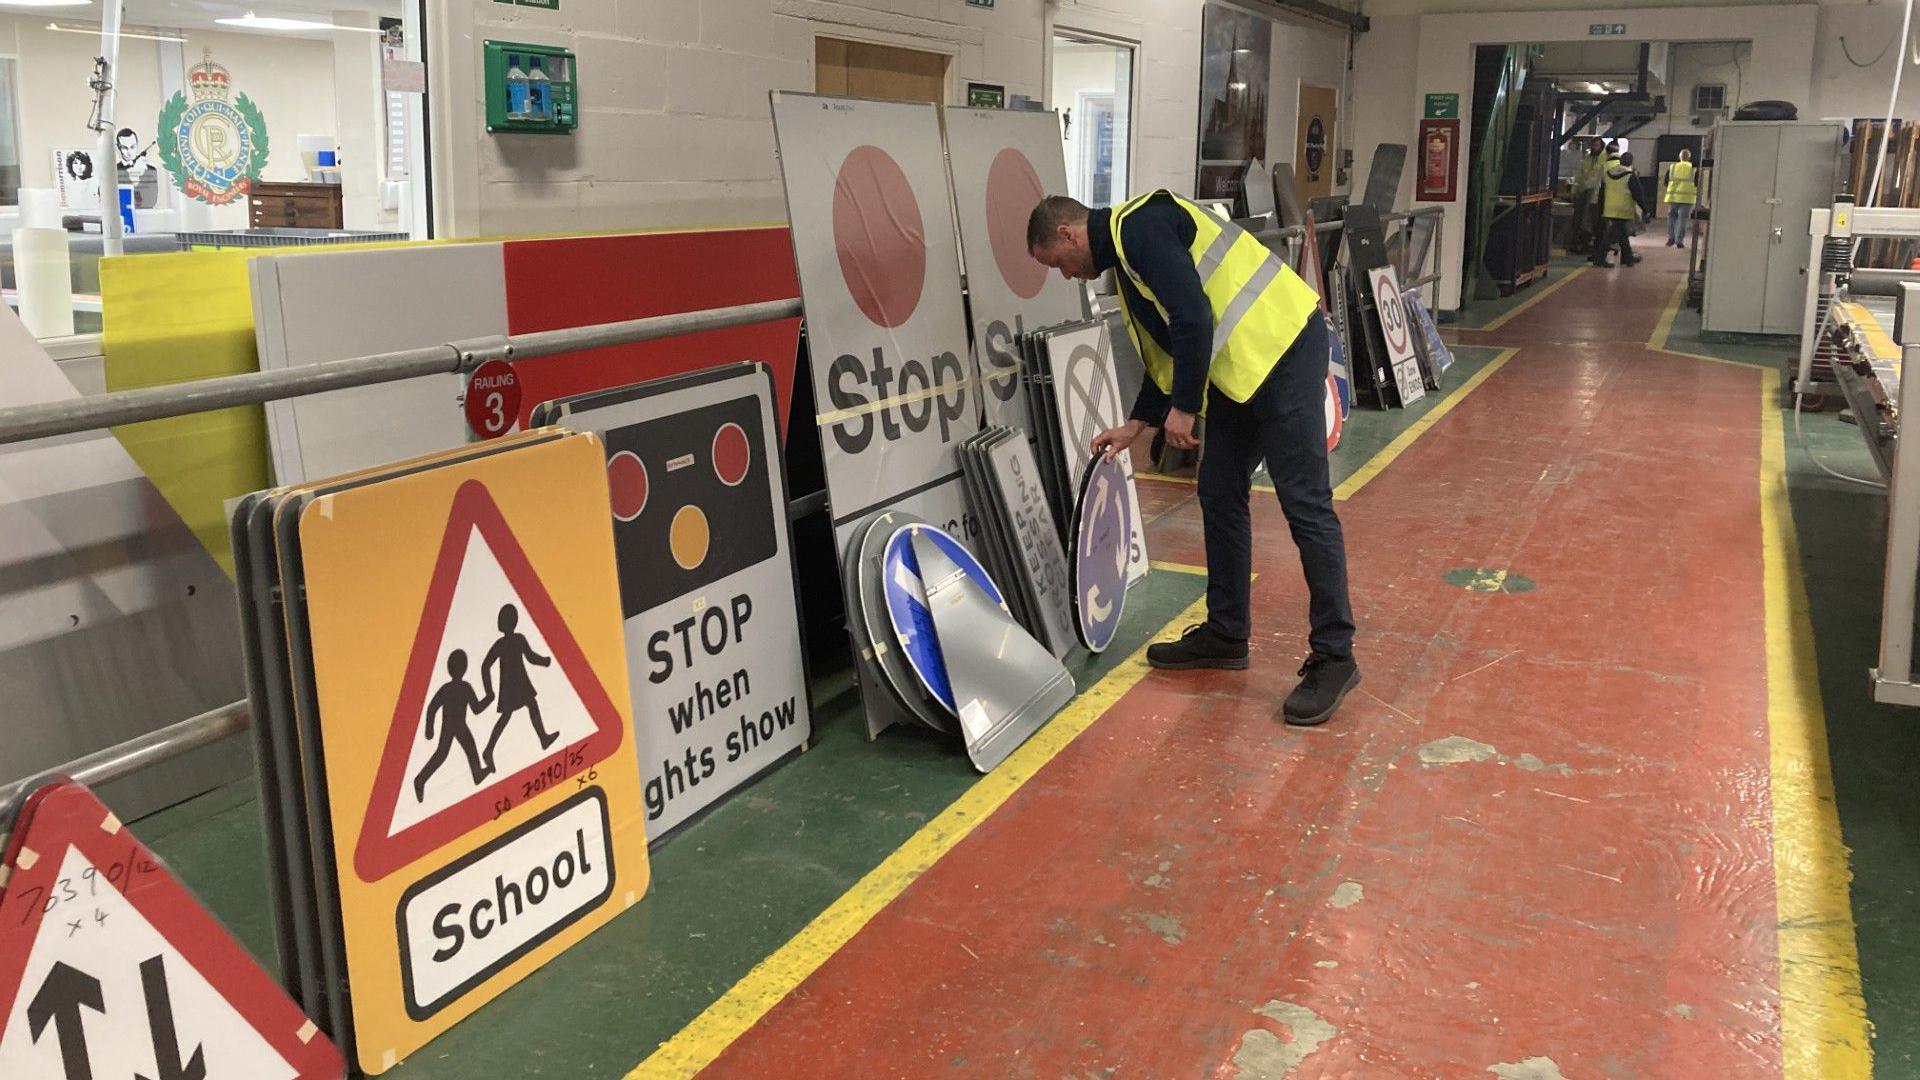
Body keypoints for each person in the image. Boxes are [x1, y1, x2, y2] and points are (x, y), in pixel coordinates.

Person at [1027, 191, 1359, 726]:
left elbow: (1192, 316)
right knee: (1219, 490)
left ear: (1067, 234)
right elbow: (1165, 354)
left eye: (1058, 264)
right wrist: (1135, 426)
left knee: (1305, 504)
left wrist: (1184, 408)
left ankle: (1336, 655)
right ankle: (1227, 632)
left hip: (1286, 347)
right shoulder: (1126, 264)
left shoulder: (1142, 227)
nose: (1067, 277)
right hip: (1241, 372)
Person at [480, 603, 558, 769]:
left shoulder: (511, 641)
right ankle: (489, 749)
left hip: (517, 683)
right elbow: (486, 665)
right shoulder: (511, 641)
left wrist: (544, 661)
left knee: (528, 706)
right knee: (510, 715)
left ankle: (543, 738)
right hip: (512, 685)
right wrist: (490, 692)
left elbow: (529, 657)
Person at [413, 650, 493, 801]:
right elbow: (476, 709)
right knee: (446, 753)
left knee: (458, 750)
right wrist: (489, 698)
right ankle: (420, 780)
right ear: (465, 668)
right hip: (455, 726)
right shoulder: (464, 687)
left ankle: (476, 773)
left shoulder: (447, 688)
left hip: (451, 726)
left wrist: (430, 729)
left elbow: (432, 708)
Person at [1591, 151, 1645, 268]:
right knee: (1611, 236)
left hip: (1609, 209)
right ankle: (1599, 258)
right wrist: (1646, 209)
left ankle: (1627, 257)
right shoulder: (1630, 175)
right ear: (1631, 162)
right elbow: (1638, 194)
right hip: (1623, 209)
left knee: (1622, 234)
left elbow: (1602, 193)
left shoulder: (1608, 173)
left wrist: (1600, 209)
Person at [1566, 138, 1607, 254]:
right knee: (1579, 219)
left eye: (1597, 145)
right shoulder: (1587, 159)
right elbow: (1579, 175)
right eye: (1593, 145)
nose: (1594, 147)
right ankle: (1579, 243)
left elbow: (1600, 179)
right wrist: (1574, 190)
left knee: (1589, 220)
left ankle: (1589, 245)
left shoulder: (1605, 159)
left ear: (1601, 146)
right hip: (1584, 192)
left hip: (1596, 194)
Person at [1664, 149, 1697, 248]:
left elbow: (1666, 182)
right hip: (1687, 198)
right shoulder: (1693, 169)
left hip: (1673, 197)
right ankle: (1679, 241)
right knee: (1683, 220)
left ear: (1680, 157)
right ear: (1689, 158)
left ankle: (1671, 239)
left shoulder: (1673, 167)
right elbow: (1697, 183)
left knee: (1672, 218)